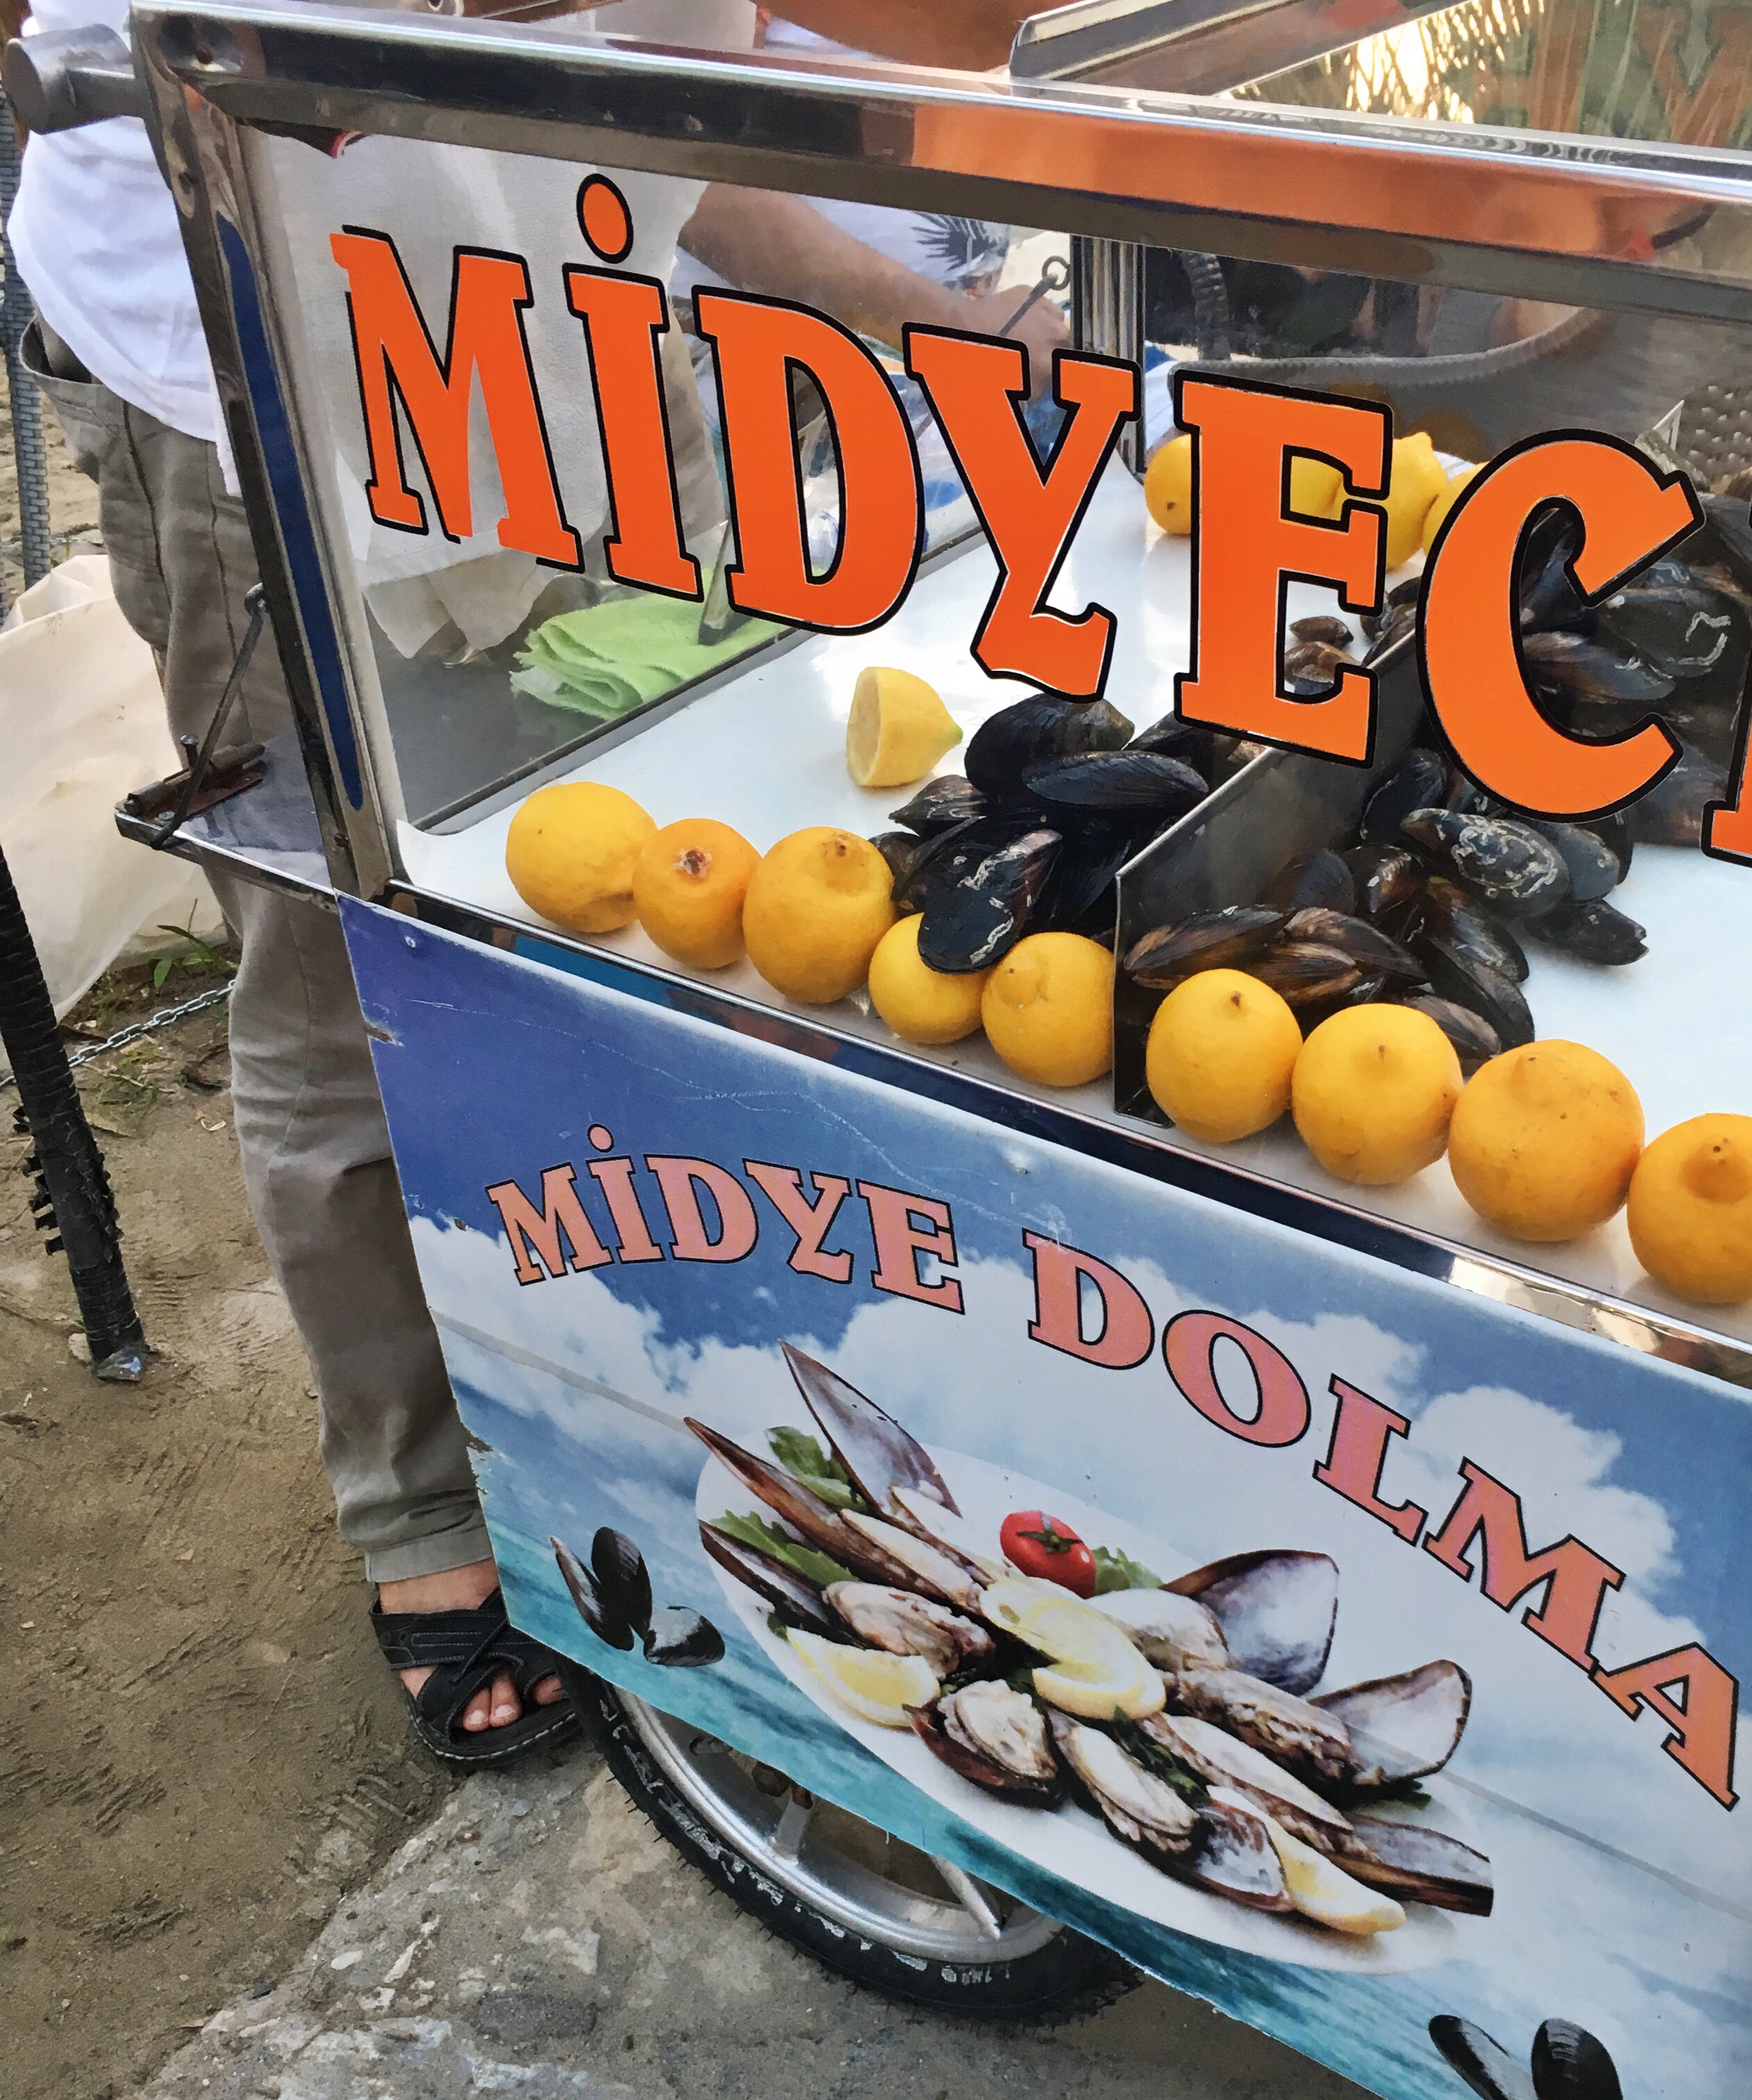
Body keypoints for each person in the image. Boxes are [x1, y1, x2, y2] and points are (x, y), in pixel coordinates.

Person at [8, 0, 1065, 1765]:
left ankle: (658, 1380)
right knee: (342, 964)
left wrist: (920, 307)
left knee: (691, 883)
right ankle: (424, 1508)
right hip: (249, 351)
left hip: (592, 334)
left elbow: (676, 61)